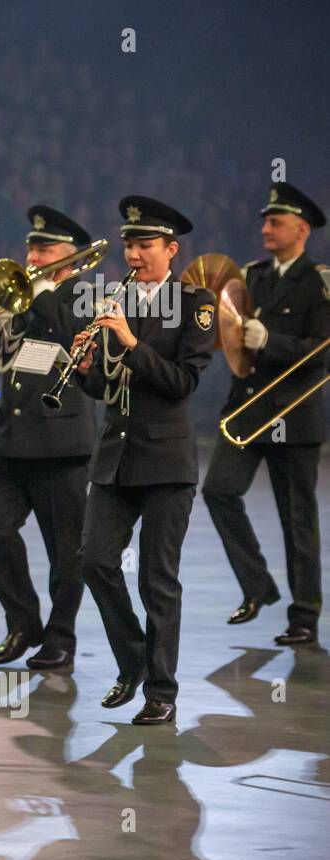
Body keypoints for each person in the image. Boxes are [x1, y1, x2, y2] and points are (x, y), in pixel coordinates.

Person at [74, 196, 215, 725]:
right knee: (93, 560)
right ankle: (134, 659)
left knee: (156, 579)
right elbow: (107, 386)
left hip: (166, 461)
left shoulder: (195, 304)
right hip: (116, 455)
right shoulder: (116, 298)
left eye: (145, 244)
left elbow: (181, 383)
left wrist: (130, 341)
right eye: (129, 243)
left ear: (171, 249)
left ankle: (161, 690)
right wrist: (86, 366)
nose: (133, 253)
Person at [0, 206, 97, 670]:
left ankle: (60, 639)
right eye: (31, 247)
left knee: (66, 552)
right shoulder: (19, 296)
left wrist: (40, 293)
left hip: (61, 443)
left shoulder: (84, 293)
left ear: (69, 256)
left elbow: (74, 335)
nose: (32, 255)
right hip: (10, 438)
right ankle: (23, 622)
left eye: (43, 248)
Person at [203, 183, 328, 647]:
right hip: (248, 409)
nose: (266, 229)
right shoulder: (252, 276)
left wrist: (270, 342)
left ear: (302, 229)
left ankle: (304, 615)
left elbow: (322, 350)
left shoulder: (320, 282)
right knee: (217, 490)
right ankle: (257, 585)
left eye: (275, 222)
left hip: (293, 415)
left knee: (296, 519)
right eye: (265, 221)